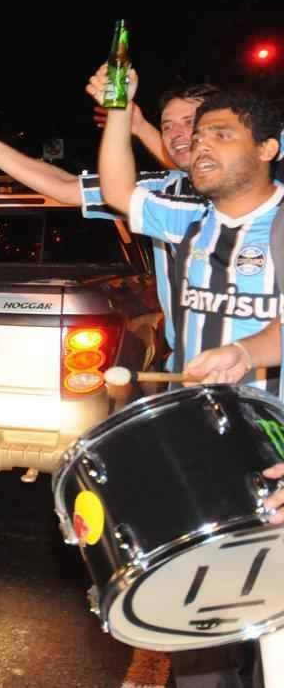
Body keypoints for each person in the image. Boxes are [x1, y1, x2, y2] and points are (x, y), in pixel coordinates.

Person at [99, 81, 281, 688]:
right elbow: (121, 191)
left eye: (221, 135)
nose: (200, 147)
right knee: (208, 625)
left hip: (275, 442)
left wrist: (245, 350)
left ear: (269, 148)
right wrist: (120, 109)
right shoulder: (191, 221)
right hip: (208, 440)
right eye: (198, 137)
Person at [0, 81, 219, 363]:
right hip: (188, 370)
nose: (175, 134)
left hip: (244, 376)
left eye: (189, 122)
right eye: (167, 125)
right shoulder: (165, 188)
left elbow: (118, 190)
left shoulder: (249, 201)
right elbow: (68, 186)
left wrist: (126, 118)